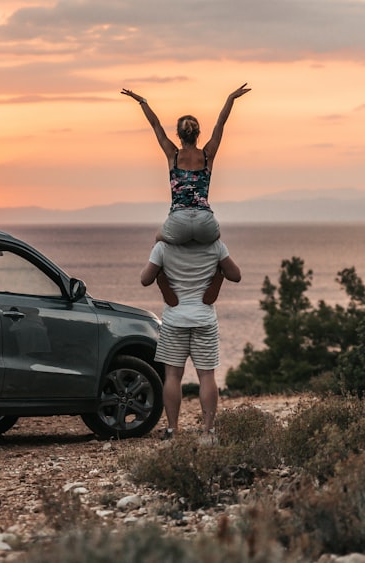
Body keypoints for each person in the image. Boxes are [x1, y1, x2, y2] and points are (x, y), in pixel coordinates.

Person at [121, 84, 251, 245]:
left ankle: (161, 271)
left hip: (178, 221)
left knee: (158, 240)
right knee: (217, 249)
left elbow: (156, 125)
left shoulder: (173, 155)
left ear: (178, 135)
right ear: (198, 134)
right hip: (205, 221)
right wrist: (230, 98)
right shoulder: (207, 155)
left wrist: (142, 101)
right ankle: (218, 270)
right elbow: (220, 124)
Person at [140, 239, 241, 442]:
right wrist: (218, 267)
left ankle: (173, 430)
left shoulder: (164, 247)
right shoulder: (215, 246)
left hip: (174, 319)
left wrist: (157, 249)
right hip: (204, 318)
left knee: (173, 376)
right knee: (206, 375)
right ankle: (208, 432)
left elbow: (145, 279)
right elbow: (236, 275)